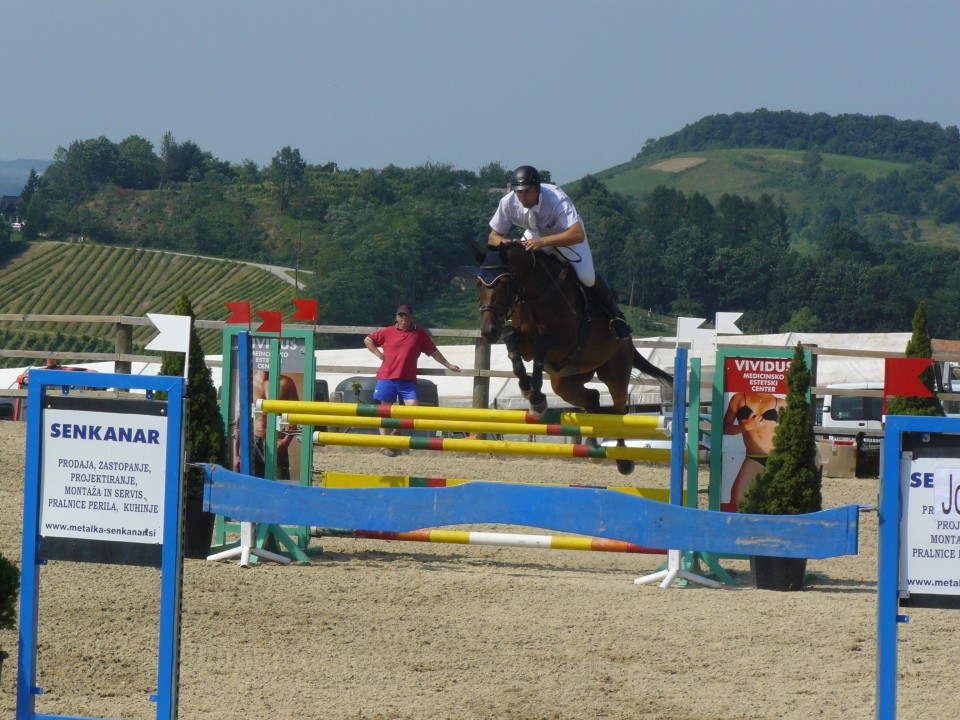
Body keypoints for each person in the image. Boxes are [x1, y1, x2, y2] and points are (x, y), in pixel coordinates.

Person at [487, 164, 632, 340]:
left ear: (537, 188)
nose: (522, 197)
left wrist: (543, 242)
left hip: (566, 236)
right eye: (519, 192)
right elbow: (493, 238)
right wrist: (511, 243)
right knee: (516, 269)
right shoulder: (508, 202)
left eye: (526, 192)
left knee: (587, 277)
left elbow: (577, 233)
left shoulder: (556, 197)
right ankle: (508, 315)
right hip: (535, 235)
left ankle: (615, 316)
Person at [364, 304, 461, 456]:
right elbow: (368, 339)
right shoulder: (387, 331)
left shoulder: (419, 333)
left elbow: (433, 351)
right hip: (387, 377)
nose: (403, 318)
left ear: (411, 317)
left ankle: (397, 432)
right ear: (396, 317)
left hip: (407, 379)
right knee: (385, 410)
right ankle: (384, 444)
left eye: (406, 315)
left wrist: (447, 364)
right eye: (401, 315)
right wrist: (378, 353)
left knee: (413, 408)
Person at [722, 390, 786, 505]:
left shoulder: (782, 402)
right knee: (736, 502)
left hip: (776, 457)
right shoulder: (739, 398)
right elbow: (724, 428)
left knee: (778, 503)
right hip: (754, 456)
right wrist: (747, 426)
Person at [234, 369, 300, 479]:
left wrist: (285, 442)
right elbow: (240, 418)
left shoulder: (286, 383)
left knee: (279, 486)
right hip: (254, 441)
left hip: (277, 443)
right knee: (253, 484)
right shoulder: (248, 383)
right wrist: (236, 454)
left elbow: (295, 415)